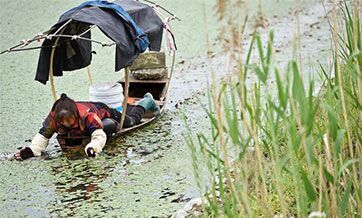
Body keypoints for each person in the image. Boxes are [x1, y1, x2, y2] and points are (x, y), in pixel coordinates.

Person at [14, 93, 159, 160]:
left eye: (68, 120)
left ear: (74, 115)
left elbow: (99, 135)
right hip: (85, 123)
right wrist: (32, 150)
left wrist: (93, 147)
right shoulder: (54, 117)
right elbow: (43, 136)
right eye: (62, 121)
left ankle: (147, 101)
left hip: (103, 112)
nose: (65, 123)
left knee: (131, 120)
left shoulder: (87, 115)